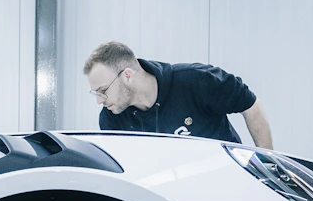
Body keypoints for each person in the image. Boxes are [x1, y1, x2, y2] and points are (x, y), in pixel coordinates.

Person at [84, 40, 273, 148]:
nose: (100, 101)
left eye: (103, 91)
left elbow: (251, 106)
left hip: (227, 185)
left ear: (127, 75)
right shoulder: (112, 120)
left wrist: (269, 167)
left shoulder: (197, 80)